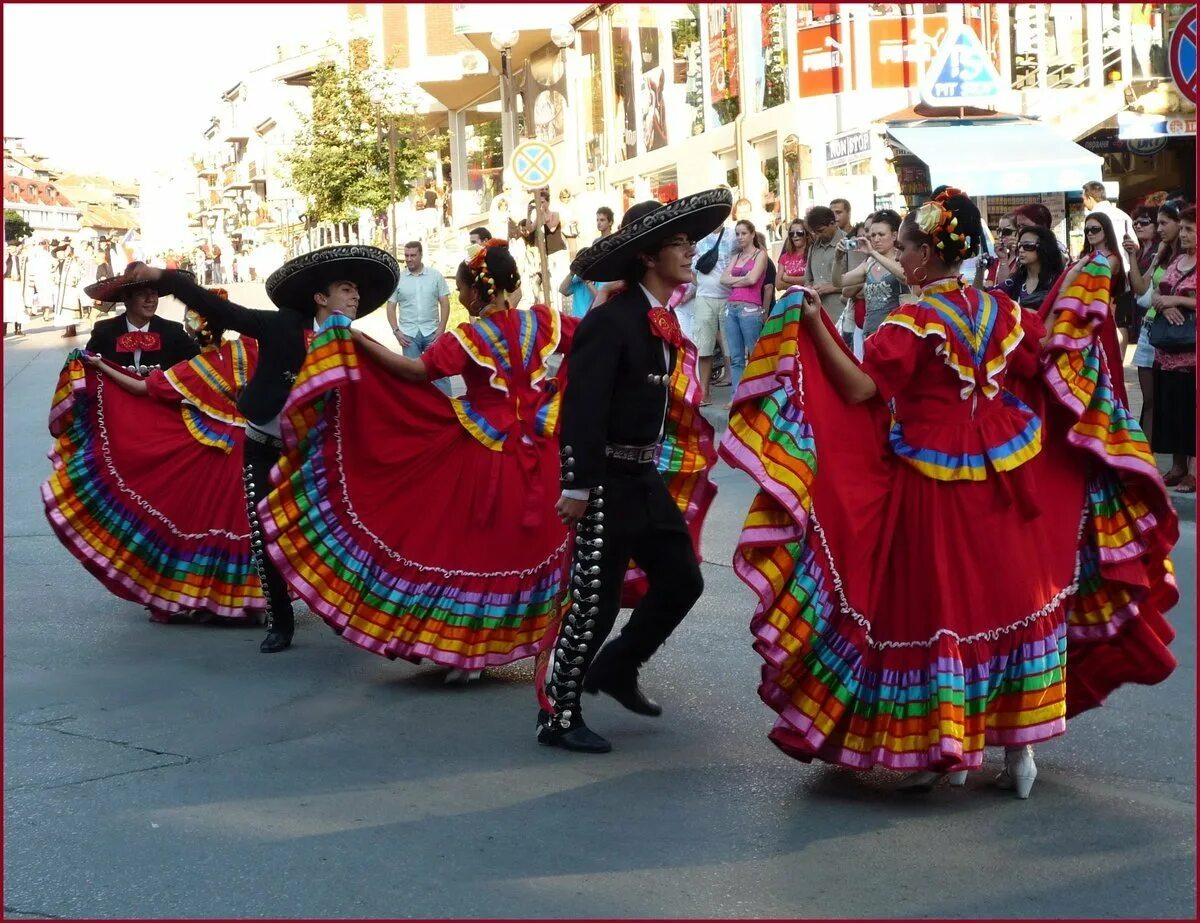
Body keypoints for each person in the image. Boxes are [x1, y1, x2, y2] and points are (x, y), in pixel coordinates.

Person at [720, 187, 1178, 798]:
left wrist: (813, 325)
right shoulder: (1005, 312)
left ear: (927, 254)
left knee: (942, 609)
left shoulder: (916, 321)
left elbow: (861, 390)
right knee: (1012, 599)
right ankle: (1021, 751)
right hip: (1010, 477)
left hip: (931, 485)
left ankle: (949, 749)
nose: (901, 256)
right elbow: (1046, 371)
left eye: (906, 246)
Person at [260, 241, 577, 684]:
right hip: (543, 451)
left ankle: (466, 651)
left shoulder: (469, 336)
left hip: (485, 451)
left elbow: (414, 372)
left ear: (474, 292)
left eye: (461, 289)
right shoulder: (547, 321)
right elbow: (592, 341)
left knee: (472, 549)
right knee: (524, 547)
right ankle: (520, 646)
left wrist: (355, 338)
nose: (460, 298)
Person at [120, 245, 401, 654]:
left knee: (334, 536)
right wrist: (164, 277)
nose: (355, 296)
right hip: (263, 448)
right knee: (264, 535)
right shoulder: (281, 326)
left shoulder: (357, 343)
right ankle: (280, 623)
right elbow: (215, 308)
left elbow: (392, 392)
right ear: (320, 298)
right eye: (345, 288)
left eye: (357, 290)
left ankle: (346, 614)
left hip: (315, 459)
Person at [536, 189, 729, 753]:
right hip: (601, 484)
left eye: (689, 242)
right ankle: (559, 714)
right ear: (648, 256)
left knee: (682, 580)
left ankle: (618, 667)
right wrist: (576, 484)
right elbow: (582, 408)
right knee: (592, 601)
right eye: (678, 243)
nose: (690, 251)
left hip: (640, 478)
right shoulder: (612, 320)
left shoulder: (656, 316)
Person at [43, 295, 265, 624]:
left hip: (201, 447)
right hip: (244, 446)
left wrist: (101, 367)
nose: (149, 299)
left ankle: (205, 600)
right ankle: (245, 603)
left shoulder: (196, 360)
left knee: (196, 523)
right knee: (240, 526)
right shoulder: (249, 350)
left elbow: (145, 388)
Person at [1148, 206, 1196, 493]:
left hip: (1192, 352)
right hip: (1166, 351)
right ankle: (1177, 467)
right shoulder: (1177, 259)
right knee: (1172, 408)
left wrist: (1176, 301)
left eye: (1191, 229)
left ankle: (1193, 471)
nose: (1186, 234)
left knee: (1192, 410)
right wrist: (1162, 303)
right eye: (1185, 228)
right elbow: (1156, 289)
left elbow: (1176, 297)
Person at [1127, 203, 1180, 441]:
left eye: (1162, 223)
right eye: (1156, 223)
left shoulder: (1185, 254)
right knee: (1149, 400)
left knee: (1173, 398)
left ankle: (1185, 465)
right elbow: (1142, 291)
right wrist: (1133, 256)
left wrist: (1167, 302)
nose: (1159, 229)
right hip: (1151, 330)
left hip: (1176, 332)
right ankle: (1146, 458)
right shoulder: (1160, 252)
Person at [83, 264, 199, 373]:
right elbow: (86, 368)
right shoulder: (104, 331)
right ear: (126, 299)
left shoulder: (173, 331)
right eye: (141, 294)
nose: (150, 299)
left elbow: (199, 362)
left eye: (153, 293)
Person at [385, 241, 452, 396]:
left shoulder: (435, 276)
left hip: (432, 332)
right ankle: (414, 411)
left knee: (439, 372)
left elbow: (445, 303)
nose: (409, 259)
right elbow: (390, 308)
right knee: (410, 375)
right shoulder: (398, 278)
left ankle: (448, 406)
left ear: (421, 255)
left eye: (413, 255)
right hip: (408, 334)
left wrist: (441, 329)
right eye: (406, 256)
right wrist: (396, 331)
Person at [832, 209, 906, 338]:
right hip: (870, 332)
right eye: (873, 235)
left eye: (881, 234)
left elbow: (905, 276)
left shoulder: (901, 259)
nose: (876, 239)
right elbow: (838, 282)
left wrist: (873, 253)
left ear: (894, 236)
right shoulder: (869, 263)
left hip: (895, 333)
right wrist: (837, 259)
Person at [1083, 181, 1135, 352]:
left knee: (1115, 321)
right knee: (1121, 322)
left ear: (1089, 197)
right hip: (1126, 272)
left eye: (1095, 230)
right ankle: (1118, 359)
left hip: (1112, 274)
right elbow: (1135, 245)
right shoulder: (1123, 214)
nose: (1090, 233)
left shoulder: (1096, 215)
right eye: (1087, 231)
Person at [691, 214, 737, 403]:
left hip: (727, 297)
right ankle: (704, 393)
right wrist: (701, 286)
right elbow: (691, 271)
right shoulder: (698, 240)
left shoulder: (733, 235)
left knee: (731, 346)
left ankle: (733, 394)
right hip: (704, 298)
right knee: (704, 346)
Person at [719, 219, 769, 389]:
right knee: (736, 358)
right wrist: (744, 280)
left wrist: (734, 280)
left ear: (752, 234)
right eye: (737, 234)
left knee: (754, 354)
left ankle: (757, 394)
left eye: (744, 233)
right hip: (732, 307)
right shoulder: (736, 256)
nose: (740, 237)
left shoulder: (760, 254)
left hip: (750, 307)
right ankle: (736, 397)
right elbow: (723, 279)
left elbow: (753, 279)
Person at [994, 224, 1065, 313]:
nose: (1021, 250)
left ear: (1043, 248)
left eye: (1028, 246)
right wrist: (980, 270)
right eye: (1019, 245)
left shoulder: (1057, 281)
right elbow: (988, 296)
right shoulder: (1015, 282)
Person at [559, 207, 615, 317]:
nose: (598, 223)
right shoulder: (595, 242)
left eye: (602, 220)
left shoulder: (614, 240)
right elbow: (563, 290)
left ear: (610, 222)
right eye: (597, 220)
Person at [801, 205, 846, 326]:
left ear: (833, 223)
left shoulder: (848, 243)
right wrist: (809, 288)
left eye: (820, 231)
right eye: (814, 232)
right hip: (818, 315)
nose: (817, 235)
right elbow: (808, 280)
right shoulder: (813, 247)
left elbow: (860, 283)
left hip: (841, 315)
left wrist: (832, 287)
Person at [776, 219, 809, 295]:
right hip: (791, 301)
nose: (795, 235)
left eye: (799, 233)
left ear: (806, 234)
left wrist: (786, 278)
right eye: (791, 233)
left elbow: (809, 279)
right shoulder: (784, 257)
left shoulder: (812, 253)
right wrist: (801, 287)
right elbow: (778, 285)